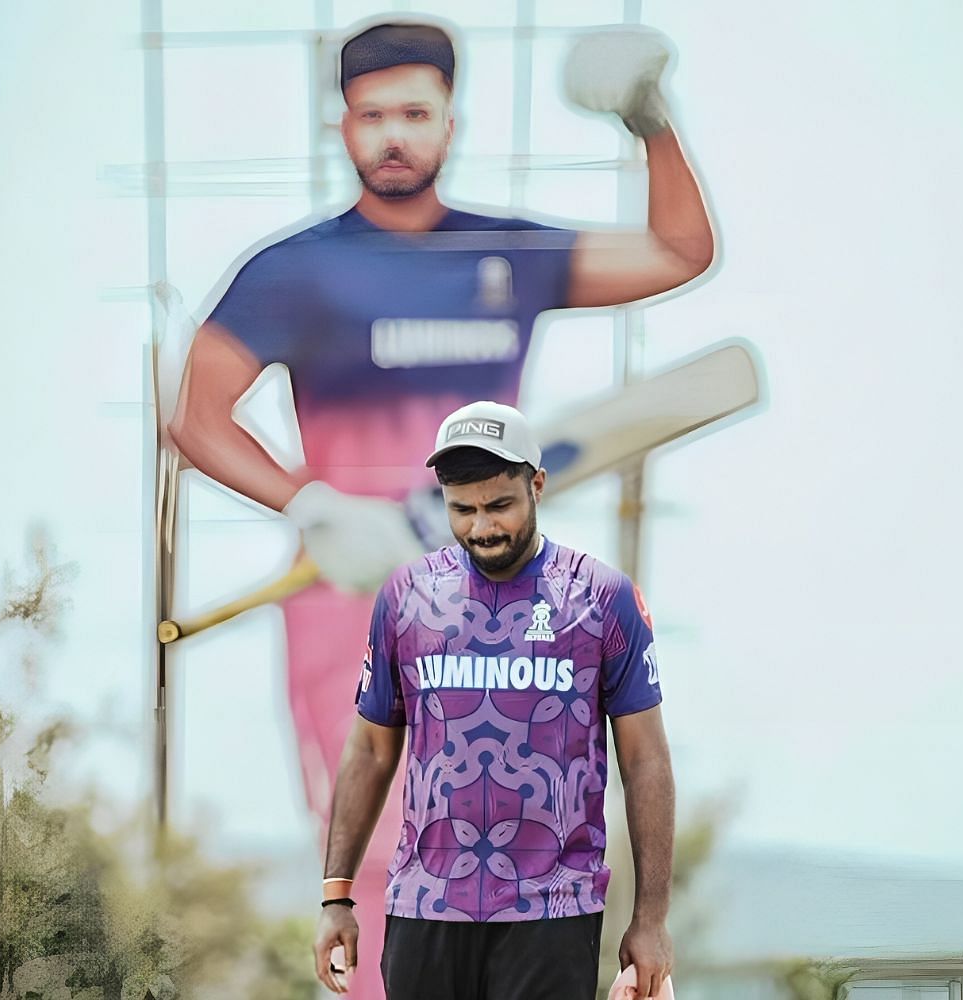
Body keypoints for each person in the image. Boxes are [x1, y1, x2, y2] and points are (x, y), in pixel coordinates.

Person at [167, 19, 710, 996]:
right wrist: (311, 502)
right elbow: (196, 418)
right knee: (380, 847)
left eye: (415, 113)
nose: (394, 135)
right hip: (350, 601)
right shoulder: (293, 271)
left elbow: (680, 251)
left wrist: (649, 121)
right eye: (373, 115)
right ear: (341, 127)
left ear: (452, 124)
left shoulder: (507, 254)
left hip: (500, 589)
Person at [314, 400, 676, 1000]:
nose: (482, 527)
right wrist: (336, 897)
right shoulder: (405, 597)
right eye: (463, 510)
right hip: (425, 905)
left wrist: (651, 920)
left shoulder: (601, 598)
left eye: (500, 505)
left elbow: (646, 762)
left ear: (536, 485)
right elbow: (372, 751)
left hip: (553, 909)